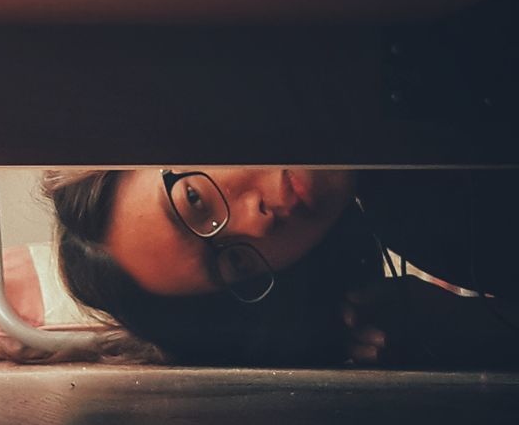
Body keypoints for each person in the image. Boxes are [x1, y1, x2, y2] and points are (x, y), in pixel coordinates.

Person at [44, 167, 519, 367]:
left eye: (194, 199)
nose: (256, 225)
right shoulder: (431, 224)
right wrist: (472, 324)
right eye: (236, 264)